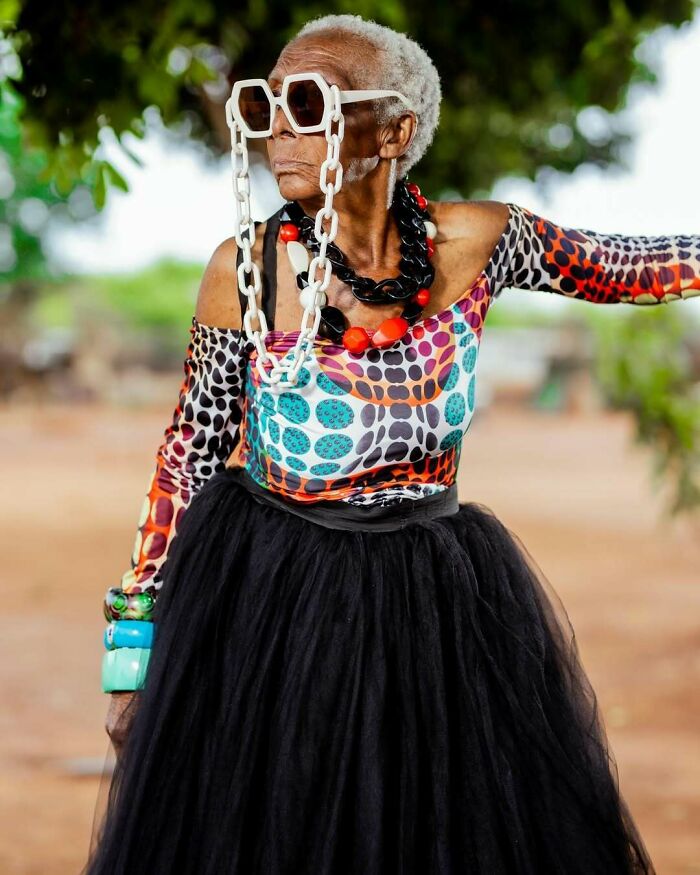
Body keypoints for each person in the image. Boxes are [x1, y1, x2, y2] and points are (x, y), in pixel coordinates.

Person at [84, 13, 700, 875]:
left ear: (395, 130)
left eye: (309, 103)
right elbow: (189, 451)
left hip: (433, 602)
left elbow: (628, 266)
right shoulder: (248, 269)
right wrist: (133, 651)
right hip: (273, 597)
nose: (281, 131)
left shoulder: (479, 242)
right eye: (267, 105)